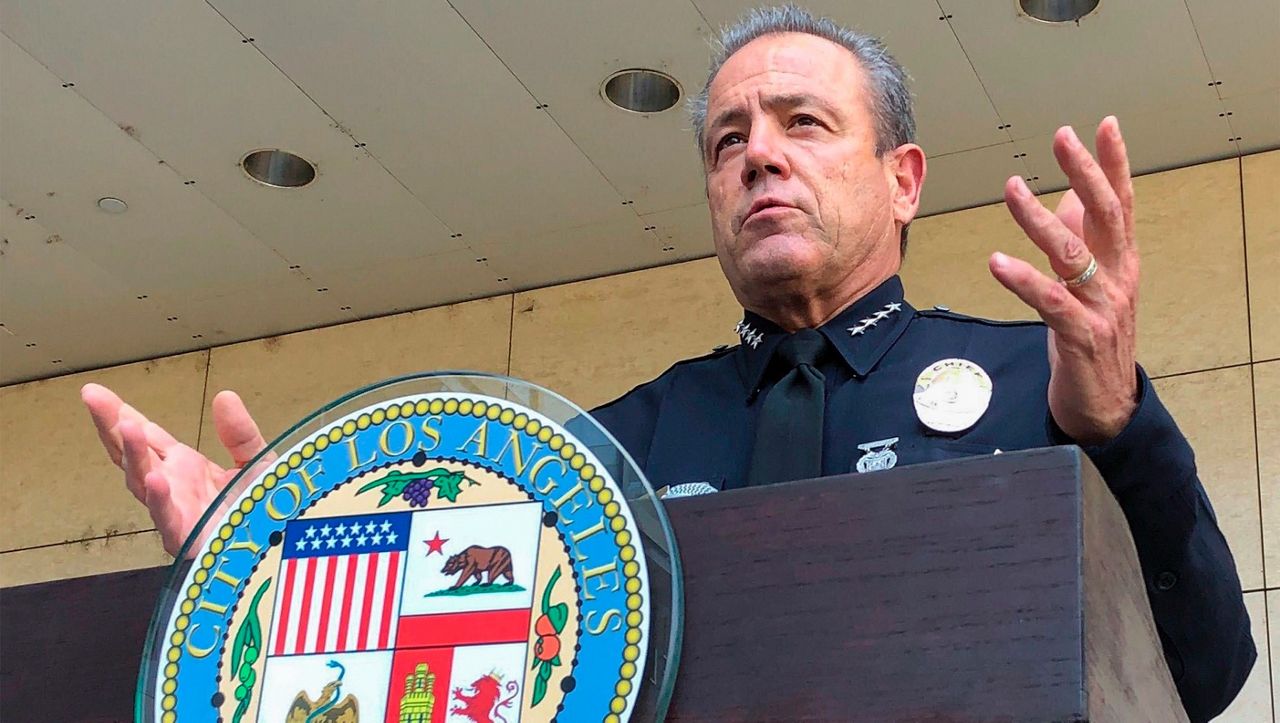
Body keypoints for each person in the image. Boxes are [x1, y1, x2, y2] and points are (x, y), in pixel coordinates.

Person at [80, 5, 1253, 720]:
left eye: (802, 124)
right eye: (727, 140)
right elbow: (452, 663)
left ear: (901, 180)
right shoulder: (598, 453)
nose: (757, 158)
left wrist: (1117, 424)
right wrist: (257, 560)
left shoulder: (1039, 383)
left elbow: (1205, 671)